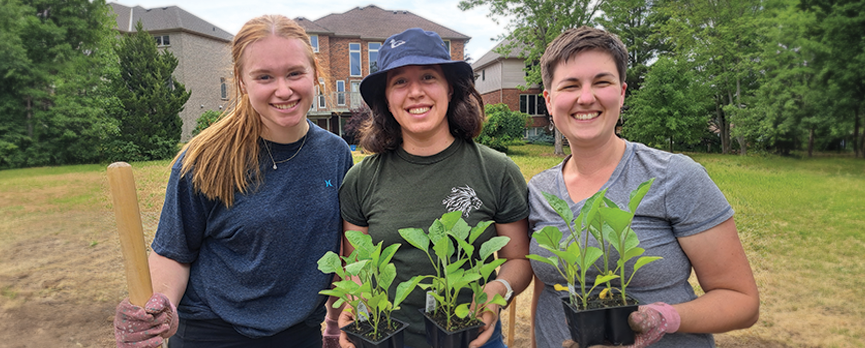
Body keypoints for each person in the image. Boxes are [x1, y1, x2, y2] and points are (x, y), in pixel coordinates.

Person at [112, 14, 353, 348]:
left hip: (300, 336)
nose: (283, 90)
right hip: (213, 333)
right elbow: (174, 252)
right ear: (242, 81)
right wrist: (159, 306)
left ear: (314, 74)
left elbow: (340, 251)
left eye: (295, 73)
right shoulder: (205, 159)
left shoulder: (336, 155)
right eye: (264, 77)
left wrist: (334, 325)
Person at [527, 26, 760, 348]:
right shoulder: (540, 190)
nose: (586, 97)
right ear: (550, 101)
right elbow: (549, 287)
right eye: (570, 85)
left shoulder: (674, 176)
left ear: (621, 93)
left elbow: (742, 301)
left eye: (601, 82)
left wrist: (663, 318)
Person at [336, 28, 532, 348]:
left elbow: (518, 260)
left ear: (450, 89)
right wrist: (355, 303)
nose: (415, 92)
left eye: (428, 77)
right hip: (388, 339)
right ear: (386, 98)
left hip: (473, 337)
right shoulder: (361, 179)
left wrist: (497, 294)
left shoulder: (496, 170)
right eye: (399, 81)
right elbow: (355, 266)